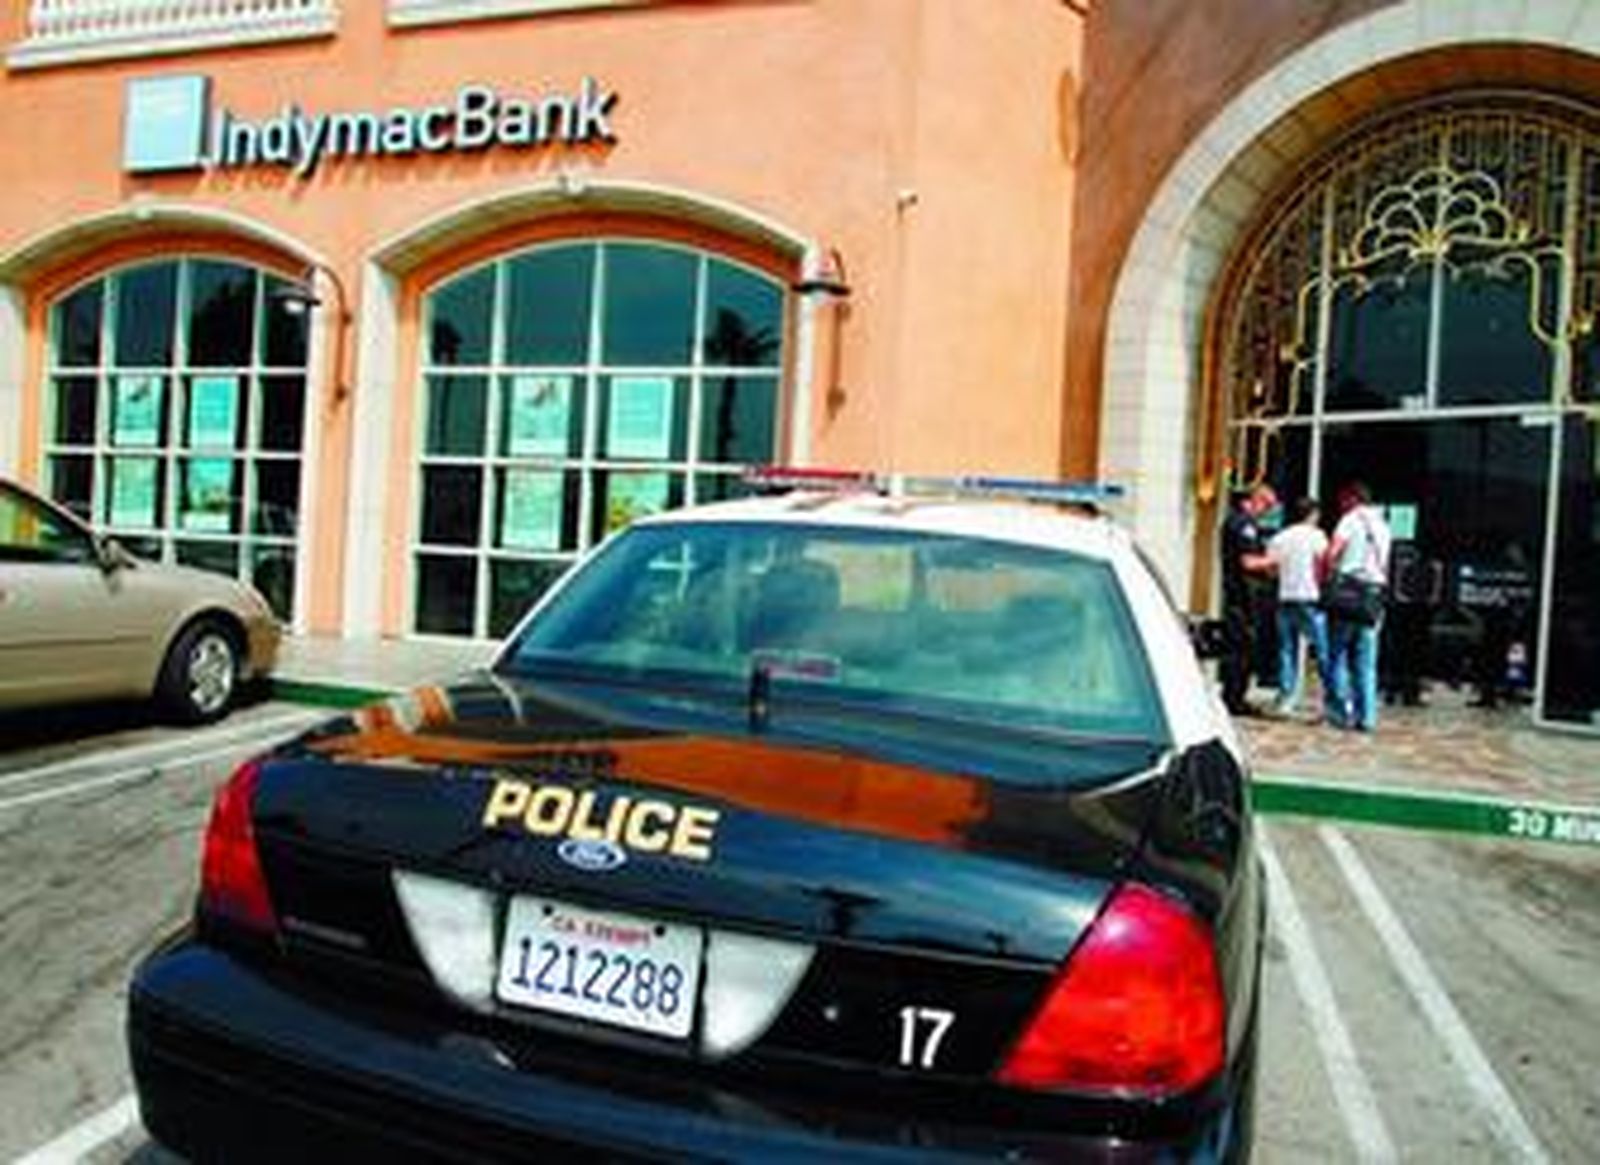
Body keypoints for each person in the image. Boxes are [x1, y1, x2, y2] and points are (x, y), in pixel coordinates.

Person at [1323, 481, 1392, 732]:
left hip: (1349, 592)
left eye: (1343, 501)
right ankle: (1368, 717)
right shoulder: (1383, 526)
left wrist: (1327, 575)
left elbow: (1333, 552)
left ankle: (1341, 713)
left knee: (1338, 653)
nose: (1340, 506)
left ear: (1352, 499)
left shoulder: (1350, 520)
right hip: (1374, 595)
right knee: (1367, 660)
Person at [1267, 497, 1335, 718]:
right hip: (1310, 597)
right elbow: (1326, 563)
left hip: (1286, 595)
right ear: (1312, 514)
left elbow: (1271, 570)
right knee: (1323, 649)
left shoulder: (1280, 537)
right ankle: (1332, 700)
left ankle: (1286, 698)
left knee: (1287, 649)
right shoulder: (1317, 536)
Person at [1218, 483, 1277, 716]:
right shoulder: (1243, 524)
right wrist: (1275, 561)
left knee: (1243, 649)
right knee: (1240, 649)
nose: (1268, 511)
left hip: (1244, 596)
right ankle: (1233, 699)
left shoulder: (1240, 522)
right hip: (1241, 597)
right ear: (1256, 499)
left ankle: (1236, 696)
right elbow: (1247, 562)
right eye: (1267, 505)